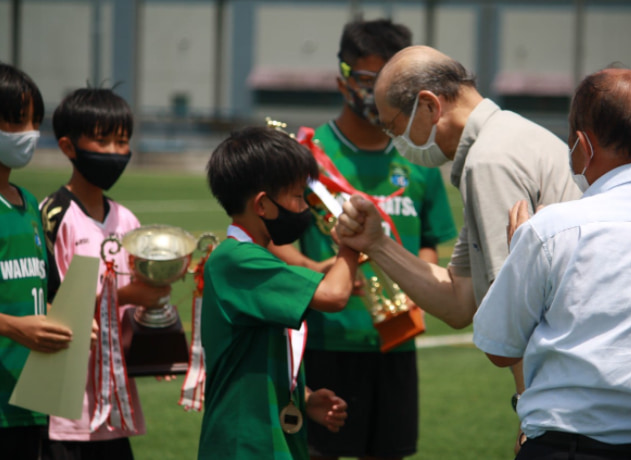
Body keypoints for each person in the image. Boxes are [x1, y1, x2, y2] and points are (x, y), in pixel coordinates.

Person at [336, 44, 582, 451]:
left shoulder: (490, 160)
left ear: (429, 106)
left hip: (568, 401)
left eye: (392, 126)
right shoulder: (498, 142)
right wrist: (377, 244)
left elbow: (517, 316)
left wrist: (530, 414)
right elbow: (458, 300)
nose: (395, 140)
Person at [472, 63, 631, 459]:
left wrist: (519, 248)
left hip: (571, 446)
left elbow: (500, 348)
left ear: (581, 146)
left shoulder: (552, 229)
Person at [268, 19, 457, 460]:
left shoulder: (420, 160)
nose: (378, 93)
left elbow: (431, 239)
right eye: (370, 80)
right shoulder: (307, 154)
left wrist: (417, 289)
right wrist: (313, 272)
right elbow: (273, 238)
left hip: (396, 342)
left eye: (392, 82)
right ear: (343, 80)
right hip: (324, 342)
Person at [199, 126, 357, 460]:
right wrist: (353, 242)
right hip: (245, 443)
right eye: (298, 197)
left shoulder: (252, 258)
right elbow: (334, 296)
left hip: (265, 437)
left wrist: (306, 398)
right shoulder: (237, 259)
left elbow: (257, 355)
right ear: (262, 205)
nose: (305, 209)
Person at [40, 87, 170, 460]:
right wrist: (124, 295)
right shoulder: (53, 216)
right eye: (102, 141)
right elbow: (54, 307)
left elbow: (134, 310)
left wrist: (153, 342)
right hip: (64, 404)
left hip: (113, 403)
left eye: (122, 141)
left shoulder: (127, 220)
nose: (115, 152)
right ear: (68, 146)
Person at [0, 62, 73, 460]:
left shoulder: (28, 203)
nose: (28, 132)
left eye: (34, 121)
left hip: (30, 404)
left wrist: (70, 323)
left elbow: (40, 294)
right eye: (15, 120)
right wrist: (12, 327)